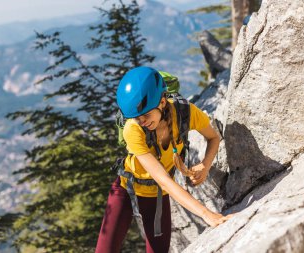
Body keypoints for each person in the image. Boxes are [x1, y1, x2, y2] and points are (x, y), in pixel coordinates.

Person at [95, 66, 232, 253]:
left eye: (146, 115)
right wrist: (206, 214)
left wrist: (205, 165)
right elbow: (164, 180)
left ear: (161, 102)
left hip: (155, 197)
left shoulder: (185, 113)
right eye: (136, 118)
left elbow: (213, 137)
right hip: (126, 190)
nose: (142, 121)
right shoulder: (132, 129)